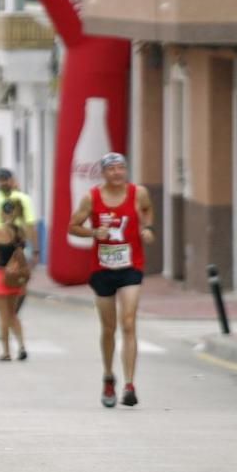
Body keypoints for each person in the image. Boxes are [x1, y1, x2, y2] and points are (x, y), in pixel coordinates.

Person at [68, 153, 154, 408]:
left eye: (121, 168)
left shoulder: (138, 193)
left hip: (131, 266)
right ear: (103, 173)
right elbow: (73, 226)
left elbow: (147, 211)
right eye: (112, 169)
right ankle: (108, 376)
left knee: (129, 322)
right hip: (102, 268)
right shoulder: (91, 198)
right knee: (109, 328)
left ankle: (129, 384)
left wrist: (147, 228)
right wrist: (94, 231)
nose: (117, 173)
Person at [0, 200, 29, 361]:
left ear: (1, 213)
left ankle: (6, 352)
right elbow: (21, 255)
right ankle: (22, 346)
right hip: (16, 277)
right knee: (13, 315)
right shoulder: (20, 231)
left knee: (3, 317)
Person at [0, 168, 38, 263]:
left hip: (17, 248)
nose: (4, 182)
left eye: (6, 179)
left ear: (12, 180)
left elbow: (31, 227)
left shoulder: (23, 199)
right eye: (2, 180)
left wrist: (35, 250)